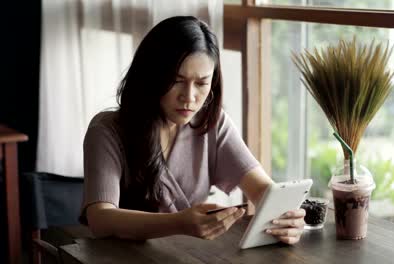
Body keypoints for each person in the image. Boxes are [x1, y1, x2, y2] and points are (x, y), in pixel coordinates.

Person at [80, 16, 305, 244]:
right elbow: (100, 219)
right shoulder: (107, 131)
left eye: (201, 83)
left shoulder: (213, 124)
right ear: (151, 76)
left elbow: (263, 190)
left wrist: (287, 219)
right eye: (177, 80)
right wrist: (179, 223)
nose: (189, 97)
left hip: (184, 255)